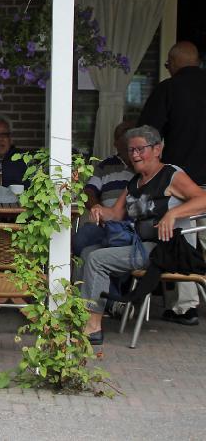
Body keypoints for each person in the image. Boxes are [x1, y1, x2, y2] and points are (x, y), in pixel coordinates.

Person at [79, 125, 206, 345]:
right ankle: (86, 314)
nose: (135, 155)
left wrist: (173, 214)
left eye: (141, 149)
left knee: (97, 259)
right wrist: (99, 209)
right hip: (141, 246)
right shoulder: (134, 183)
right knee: (88, 250)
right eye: (131, 150)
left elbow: (202, 199)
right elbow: (116, 214)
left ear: (157, 149)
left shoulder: (171, 175)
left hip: (167, 249)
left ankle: (92, 326)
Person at [137, 41, 206, 324]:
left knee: (184, 240)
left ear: (174, 63)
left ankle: (185, 307)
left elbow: (146, 133)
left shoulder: (169, 89)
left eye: (167, 65)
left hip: (184, 182)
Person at [72, 120, 135, 256]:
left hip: (131, 223)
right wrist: (98, 210)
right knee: (81, 238)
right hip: (106, 222)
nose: (126, 141)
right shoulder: (105, 166)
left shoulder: (141, 165)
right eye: (122, 137)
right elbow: (88, 192)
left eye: (129, 136)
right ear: (115, 143)